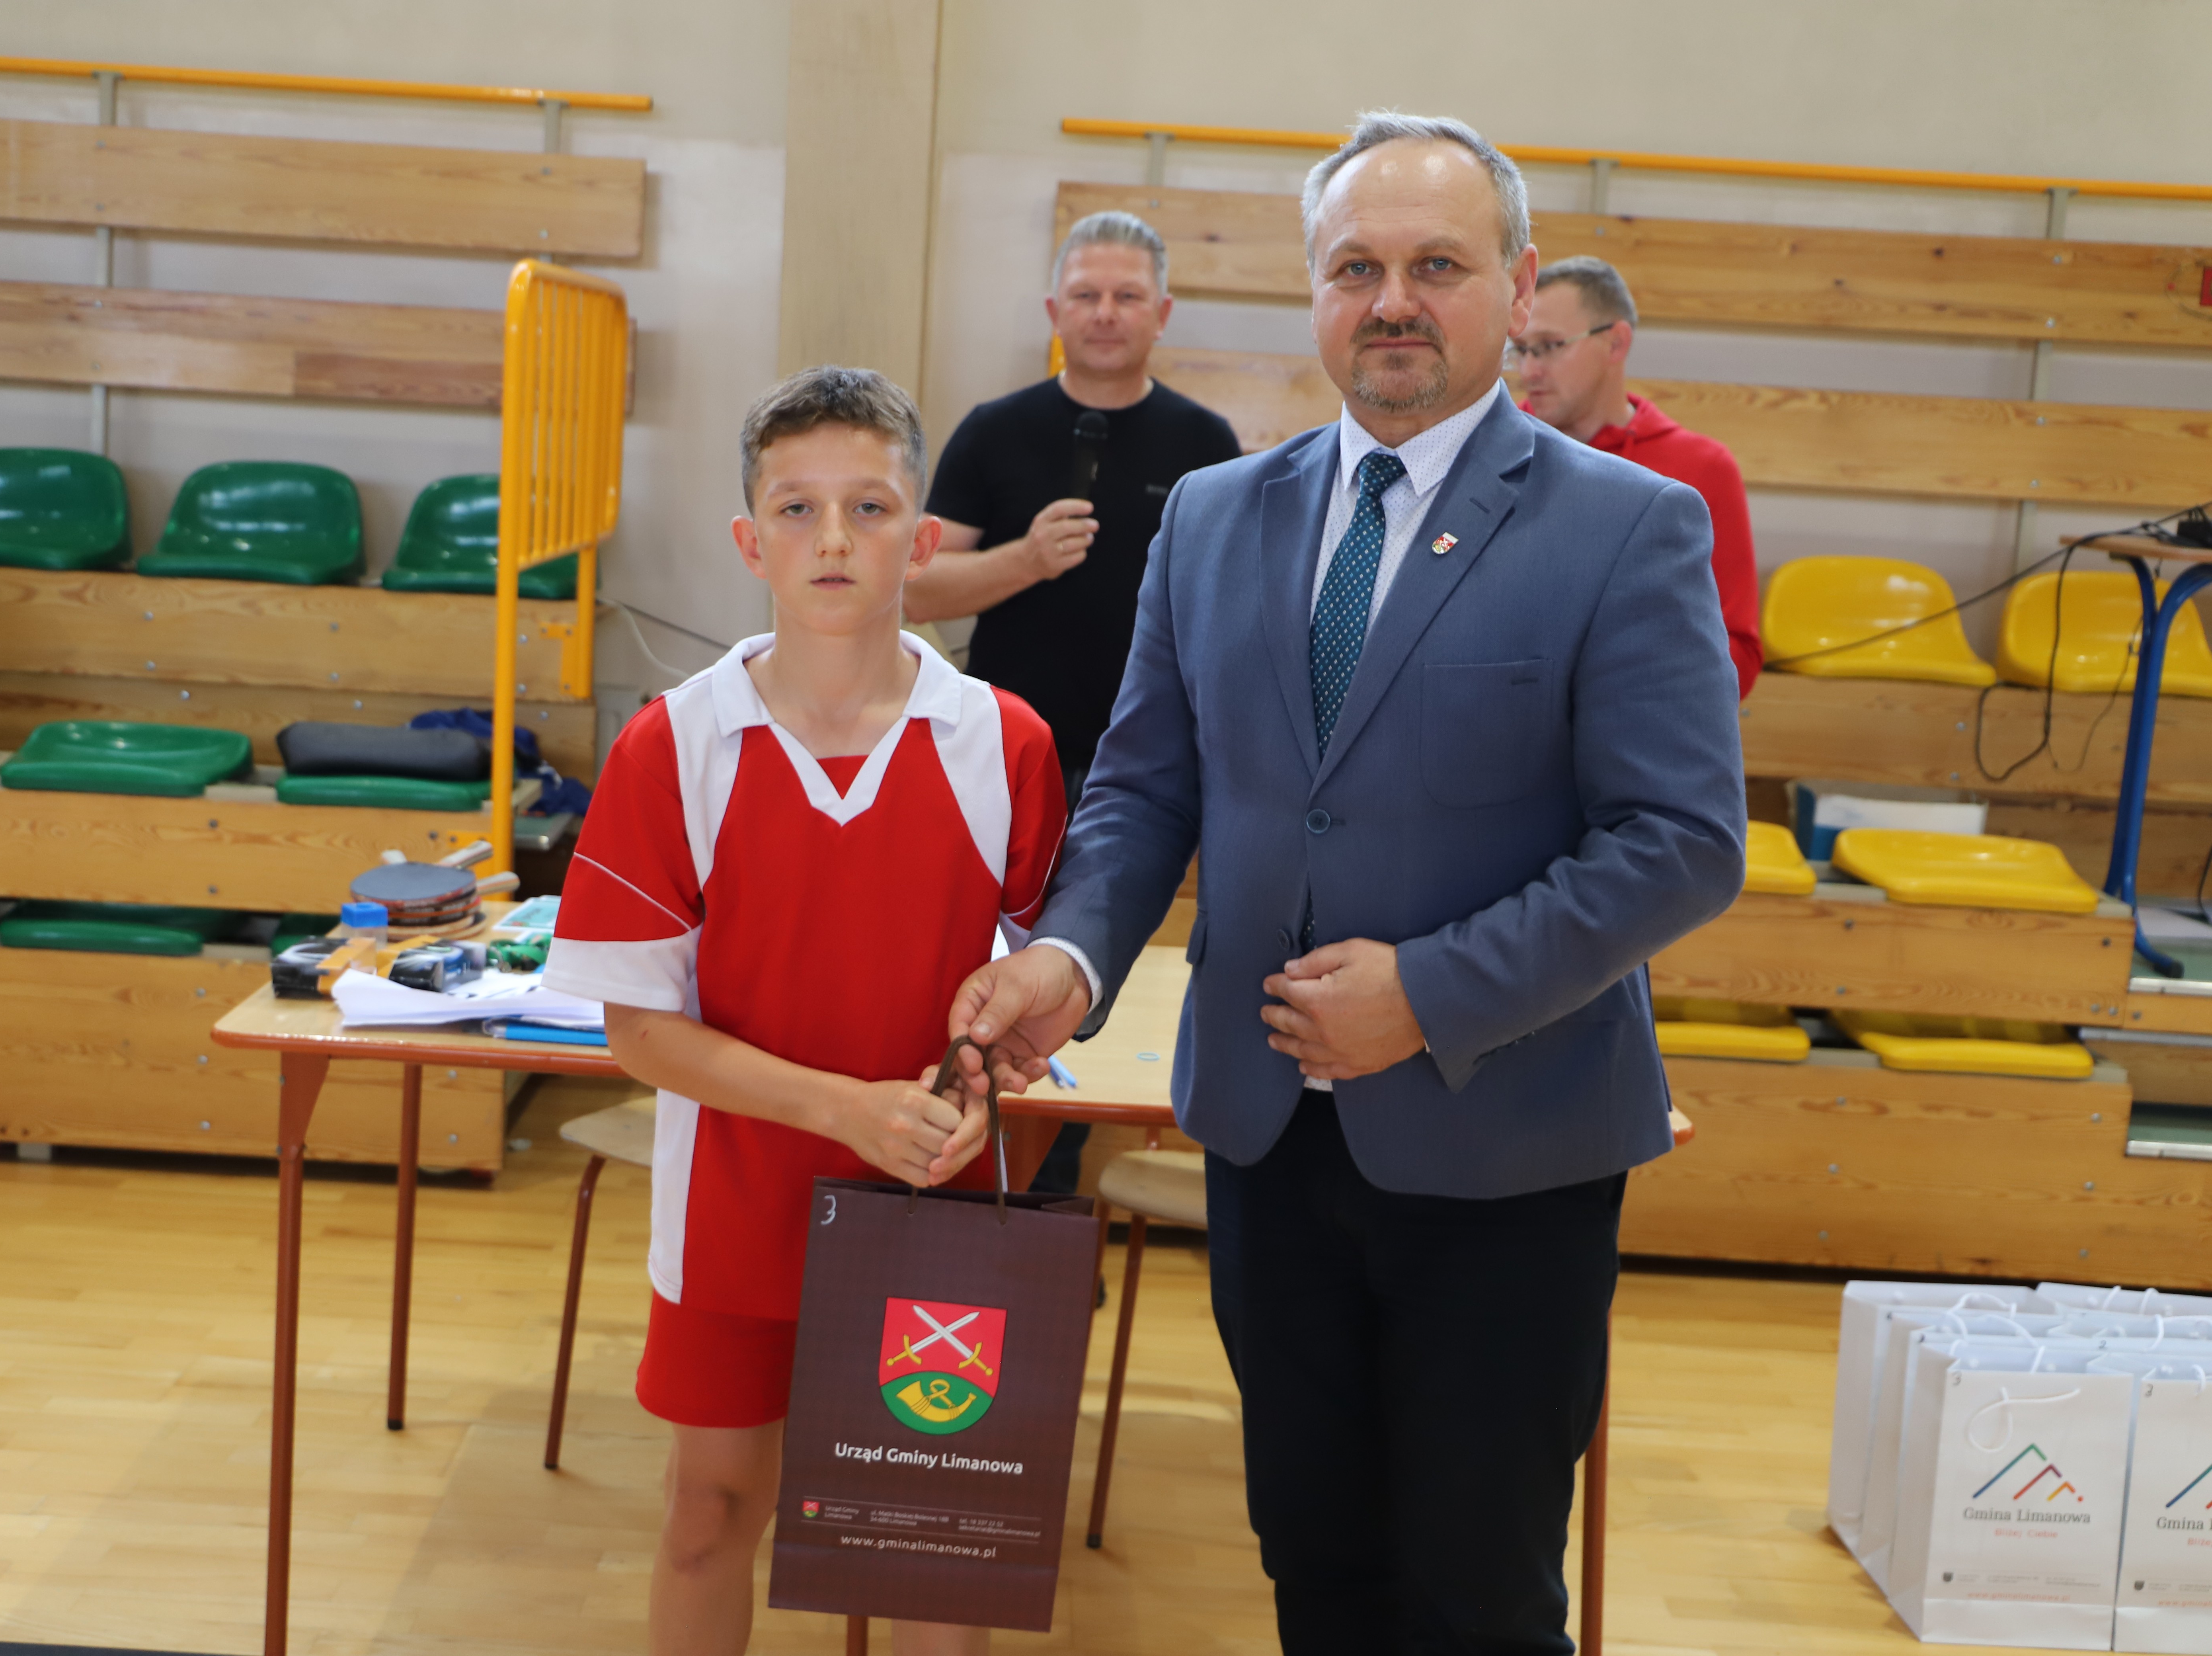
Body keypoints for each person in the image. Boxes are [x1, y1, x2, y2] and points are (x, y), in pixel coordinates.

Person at [944, 113, 1746, 1653]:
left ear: (1517, 290)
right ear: (1312, 290)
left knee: (1476, 1598)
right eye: (1355, 267)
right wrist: (1069, 957)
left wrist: (1429, 994)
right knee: (1315, 1571)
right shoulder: (1213, 514)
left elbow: (1682, 841)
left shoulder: (1630, 525)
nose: (1393, 301)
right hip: (1268, 1147)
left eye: (1437, 265)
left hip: (1506, 1152)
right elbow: (1144, 789)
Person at [541, 367, 1065, 1656]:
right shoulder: (672, 744)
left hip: (935, 1214)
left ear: (923, 541)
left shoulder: (1006, 743)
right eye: (797, 509)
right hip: (732, 1212)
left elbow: (1033, 998)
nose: (834, 538)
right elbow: (637, 1031)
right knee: (710, 1517)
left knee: (927, 1551)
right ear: (750, 542)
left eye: (870, 507)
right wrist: (845, 1111)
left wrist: (995, 1072)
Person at [912, 210, 1238, 1195]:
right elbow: (915, 590)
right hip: (1004, 755)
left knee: (1090, 969)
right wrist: (1023, 560)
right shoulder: (994, 430)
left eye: (1127, 295)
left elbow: (1230, 605)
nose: (1105, 313)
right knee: (982, 967)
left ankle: (1050, 1202)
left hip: (1150, 769)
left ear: (1162, 313)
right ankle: (955, 1174)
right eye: (1087, 295)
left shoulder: (1204, 442)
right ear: (1055, 310)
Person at [1513, 255, 1762, 696]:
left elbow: (1737, 652)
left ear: (1616, 343)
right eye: (1522, 349)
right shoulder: (1492, 452)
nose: (1529, 371)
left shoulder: (1703, 467)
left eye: (1550, 346)